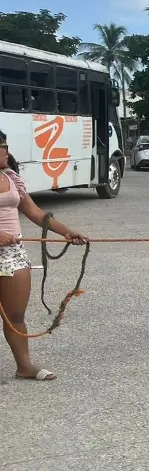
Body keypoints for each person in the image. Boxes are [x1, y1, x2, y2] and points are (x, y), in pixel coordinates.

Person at [0, 132, 87, 381]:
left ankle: (24, 366)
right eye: (3, 147)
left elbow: (35, 212)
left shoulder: (10, 177)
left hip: (12, 254)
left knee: (15, 315)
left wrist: (66, 232)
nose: (7, 152)